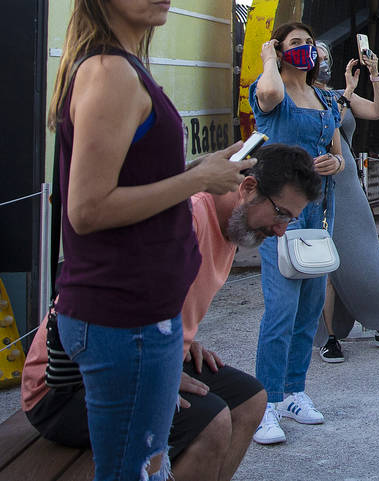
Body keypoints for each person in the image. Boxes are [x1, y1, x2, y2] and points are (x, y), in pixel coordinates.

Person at [45, 0, 252, 481]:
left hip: (138, 315)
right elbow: (87, 210)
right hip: (124, 317)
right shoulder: (112, 72)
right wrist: (196, 181)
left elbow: (125, 185)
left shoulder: (121, 67)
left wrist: (202, 169)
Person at [22, 144, 320, 481]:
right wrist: (159, 373)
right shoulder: (186, 220)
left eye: (290, 219)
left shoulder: (236, 225)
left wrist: (181, 338)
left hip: (141, 353)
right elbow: (110, 306)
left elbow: (162, 297)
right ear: (247, 188)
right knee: (212, 422)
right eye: (281, 214)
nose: (282, 229)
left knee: (251, 401)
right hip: (70, 383)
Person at [249, 21, 347, 445]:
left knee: (309, 308)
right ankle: (264, 405)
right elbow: (269, 95)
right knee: (280, 309)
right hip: (278, 214)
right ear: (280, 49)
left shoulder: (325, 97)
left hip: (318, 213)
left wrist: (333, 164)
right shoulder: (271, 90)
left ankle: (294, 392)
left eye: (309, 42)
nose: (306, 49)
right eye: (296, 43)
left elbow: (337, 152)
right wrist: (269, 57)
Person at [311, 42, 379, 363]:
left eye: (326, 57)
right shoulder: (302, 101)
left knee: (364, 253)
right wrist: (347, 90)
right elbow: (328, 124)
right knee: (326, 264)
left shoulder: (334, 94)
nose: (323, 64)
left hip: (348, 185)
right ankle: (329, 336)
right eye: (317, 58)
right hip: (319, 184)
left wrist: (374, 76)